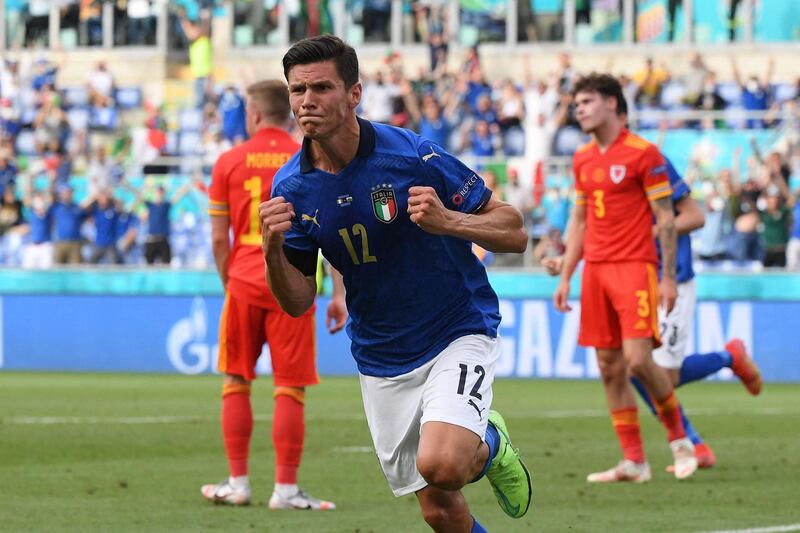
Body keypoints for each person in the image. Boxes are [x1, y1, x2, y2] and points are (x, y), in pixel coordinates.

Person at [259, 35, 532, 533]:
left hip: (455, 328)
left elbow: (514, 230)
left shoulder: (410, 156)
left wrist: (451, 221)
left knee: (444, 465)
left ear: (355, 93)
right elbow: (297, 302)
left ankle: (490, 443)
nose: (306, 101)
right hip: (381, 355)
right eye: (297, 89)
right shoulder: (291, 188)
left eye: (321, 87)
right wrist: (272, 250)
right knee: (439, 510)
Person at [544, 156, 763, 470]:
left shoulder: (649, 159)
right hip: (630, 282)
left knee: (661, 376)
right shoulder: (594, 165)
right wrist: (567, 262)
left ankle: (729, 357)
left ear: (614, 109)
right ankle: (689, 442)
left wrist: (644, 231)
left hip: (669, 279)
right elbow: (593, 226)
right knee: (633, 367)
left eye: (588, 102)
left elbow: (695, 216)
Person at [201, 79, 343, 510]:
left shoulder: (228, 161)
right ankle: (284, 490)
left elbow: (219, 240)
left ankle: (238, 483)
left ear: (254, 113)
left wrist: (232, 284)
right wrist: (339, 293)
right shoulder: (312, 158)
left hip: (243, 282)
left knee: (236, 380)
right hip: (295, 283)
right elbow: (334, 232)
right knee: (291, 387)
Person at [552, 73, 697, 482]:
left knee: (637, 361)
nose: (579, 108)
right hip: (595, 271)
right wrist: (566, 276)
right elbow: (579, 220)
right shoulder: (582, 158)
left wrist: (668, 277)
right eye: (576, 102)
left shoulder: (644, 154)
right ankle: (634, 460)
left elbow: (667, 220)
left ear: (613, 104)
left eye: (587, 100)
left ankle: (680, 441)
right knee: (609, 366)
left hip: (635, 267)